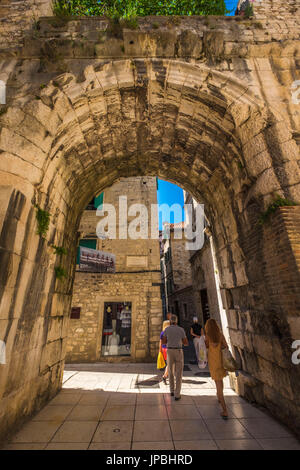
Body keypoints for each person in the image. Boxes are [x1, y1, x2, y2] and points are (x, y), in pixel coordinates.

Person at [204, 319, 228, 419]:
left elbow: (206, 347)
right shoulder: (220, 335)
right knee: (220, 381)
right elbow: (225, 346)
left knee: (219, 388)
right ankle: (219, 397)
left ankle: (225, 410)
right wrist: (219, 346)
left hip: (213, 363)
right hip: (221, 362)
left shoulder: (207, 337)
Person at [162, 314, 188, 400]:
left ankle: (172, 390)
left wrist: (170, 340)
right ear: (176, 321)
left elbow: (164, 342)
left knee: (170, 371)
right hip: (178, 350)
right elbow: (185, 342)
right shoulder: (181, 330)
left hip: (169, 351)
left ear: (170, 321)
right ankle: (177, 394)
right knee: (179, 372)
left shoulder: (167, 329)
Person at [159, 320, 170, 384]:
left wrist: (160, 350)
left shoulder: (162, 332)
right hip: (168, 349)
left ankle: (168, 375)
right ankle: (165, 376)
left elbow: (160, 342)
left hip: (163, 349)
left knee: (169, 363)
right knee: (169, 363)